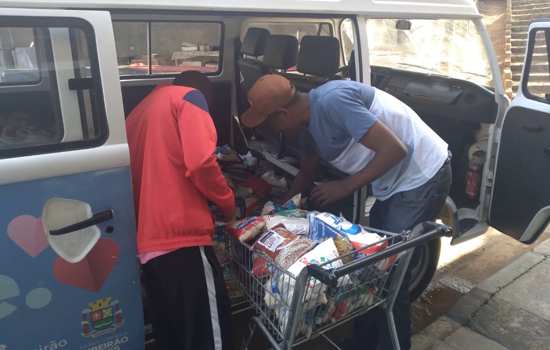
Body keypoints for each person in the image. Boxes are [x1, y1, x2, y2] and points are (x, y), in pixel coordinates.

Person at [240, 74, 452, 350]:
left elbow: (394, 149)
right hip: (391, 184)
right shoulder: (305, 121)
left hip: (421, 177)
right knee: (372, 269)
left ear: (282, 114)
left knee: (392, 274)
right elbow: (308, 168)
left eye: (269, 122)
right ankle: (364, 342)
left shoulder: (332, 102)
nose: (272, 130)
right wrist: (279, 209)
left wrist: (344, 187)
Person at [126, 71, 236, 350]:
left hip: (149, 244)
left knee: (174, 333)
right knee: (208, 337)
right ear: (205, 93)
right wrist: (227, 203)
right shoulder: (190, 97)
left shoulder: (141, 110)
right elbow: (201, 163)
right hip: (181, 237)